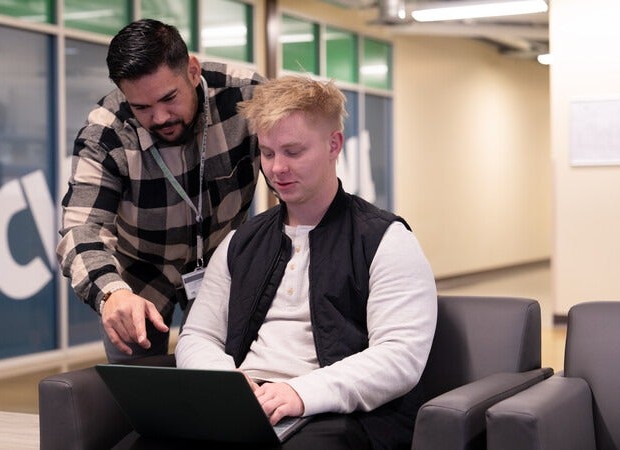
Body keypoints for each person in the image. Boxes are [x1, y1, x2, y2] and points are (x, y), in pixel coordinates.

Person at [175, 76, 438, 449]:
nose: (277, 168)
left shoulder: (386, 240)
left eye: (293, 152)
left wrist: (300, 392)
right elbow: (198, 335)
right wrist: (224, 383)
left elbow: (400, 357)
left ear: (334, 145)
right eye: (268, 153)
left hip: (334, 413)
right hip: (247, 403)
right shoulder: (240, 243)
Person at [57, 19, 265, 362]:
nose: (160, 117)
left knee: (221, 380)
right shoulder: (106, 132)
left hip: (222, 265)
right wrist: (112, 294)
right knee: (137, 386)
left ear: (193, 71)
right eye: (141, 107)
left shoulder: (247, 97)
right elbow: (82, 229)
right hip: (139, 273)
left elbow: (291, 173)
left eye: (169, 98)